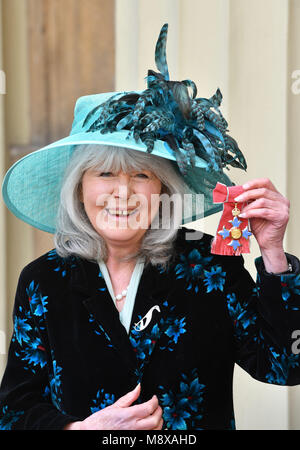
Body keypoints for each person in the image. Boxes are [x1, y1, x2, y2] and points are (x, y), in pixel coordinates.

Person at [0, 24, 300, 431]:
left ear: (163, 188)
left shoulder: (209, 263)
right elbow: (14, 410)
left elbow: (285, 365)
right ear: (79, 188)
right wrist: (77, 430)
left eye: (141, 175)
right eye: (105, 173)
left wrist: (273, 254)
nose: (122, 193)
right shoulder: (44, 279)